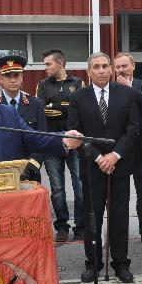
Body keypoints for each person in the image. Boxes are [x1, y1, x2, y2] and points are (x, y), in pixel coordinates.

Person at [68, 53, 141, 283]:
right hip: (92, 167)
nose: (101, 71)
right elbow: (75, 132)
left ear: (111, 69)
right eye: (96, 67)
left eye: (105, 66)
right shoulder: (78, 97)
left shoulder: (126, 93)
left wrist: (115, 155)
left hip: (120, 166)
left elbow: (133, 128)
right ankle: (93, 264)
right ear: (88, 72)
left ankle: (121, 264)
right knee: (92, 219)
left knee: (119, 219)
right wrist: (99, 157)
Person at [37, 48, 86, 243]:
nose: (45, 68)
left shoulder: (78, 83)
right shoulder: (42, 85)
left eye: (48, 64)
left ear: (60, 63)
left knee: (80, 187)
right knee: (57, 189)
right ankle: (62, 227)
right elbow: (41, 109)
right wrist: (66, 106)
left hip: (75, 143)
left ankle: (81, 227)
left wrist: (56, 107)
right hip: (52, 143)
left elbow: (79, 107)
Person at [0, 54, 48, 183]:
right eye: (8, 76)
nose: (13, 80)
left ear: (22, 77)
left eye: (17, 75)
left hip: (29, 172)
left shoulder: (36, 105)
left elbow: (42, 138)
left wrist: (30, 167)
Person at [114, 52, 142, 246]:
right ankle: (118, 233)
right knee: (119, 194)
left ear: (133, 66)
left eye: (125, 66)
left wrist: (129, 88)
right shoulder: (112, 88)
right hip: (120, 149)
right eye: (118, 67)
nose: (121, 70)